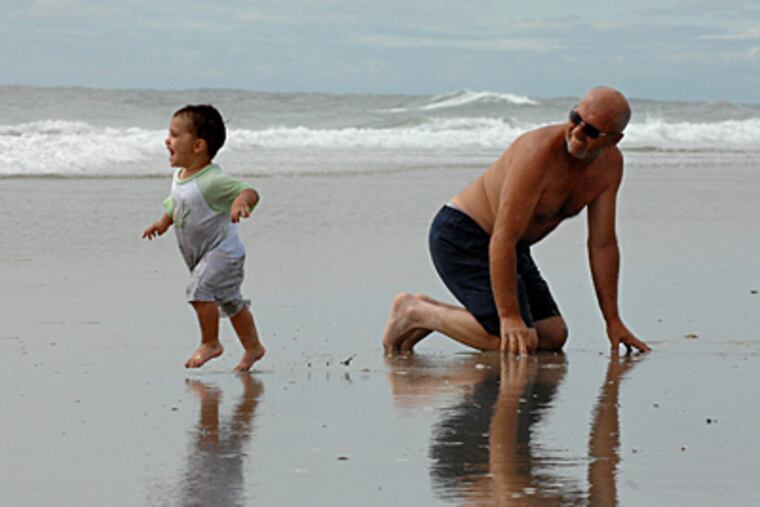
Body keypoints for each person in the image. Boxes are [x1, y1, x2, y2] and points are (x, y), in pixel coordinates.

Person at [383, 86, 651, 356]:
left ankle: (426, 313)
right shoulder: (537, 153)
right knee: (521, 341)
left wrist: (612, 321)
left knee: (553, 335)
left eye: (591, 131)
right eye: (574, 119)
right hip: (463, 236)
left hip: (512, 248)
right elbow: (503, 237)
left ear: (614, 140)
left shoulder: (610, 166)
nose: (577, 132)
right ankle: (417, 312)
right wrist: (509, 316)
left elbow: (602, 244)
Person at [143, 104, 265, 372]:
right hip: (204, 254)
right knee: (232, 302)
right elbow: (176, 204)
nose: (167, 140)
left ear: (198, 146)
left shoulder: (212, 181)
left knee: (198, 292)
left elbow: (248, 191)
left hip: (223, 253)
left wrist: (240, 204)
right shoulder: (180, 176)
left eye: (175, 135)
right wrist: (162, 223)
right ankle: (253, 347)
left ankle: (210, 342)